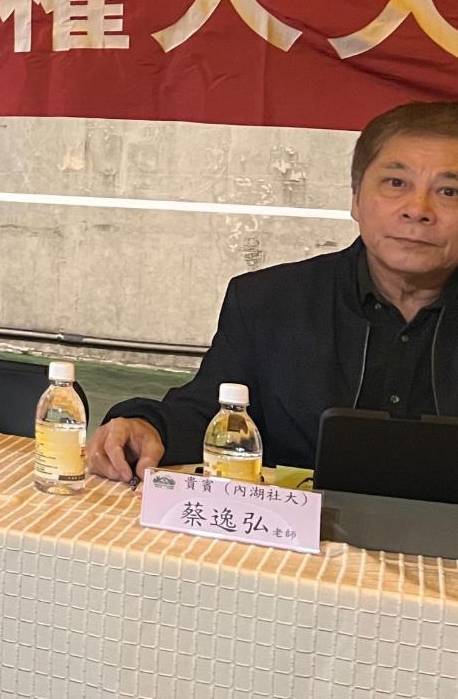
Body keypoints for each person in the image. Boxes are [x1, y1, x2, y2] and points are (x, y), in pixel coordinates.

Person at [88, 100, 458, 480]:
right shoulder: (268, 302)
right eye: (396, 183)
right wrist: (147, 427)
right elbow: (209, 414)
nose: (418, 209)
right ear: (356, 198)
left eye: (449, 191)